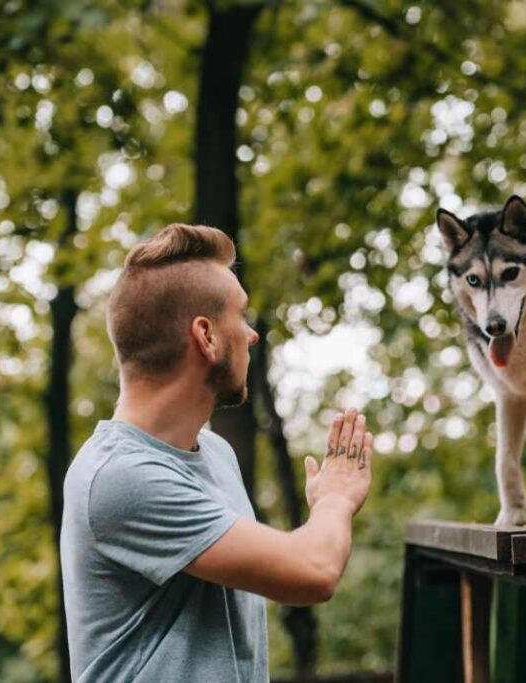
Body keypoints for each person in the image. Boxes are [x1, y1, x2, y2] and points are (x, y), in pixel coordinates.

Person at [60, 223, 373, 682]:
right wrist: (336, 500)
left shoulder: (215, 453)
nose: (252, 335)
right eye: (240, 315)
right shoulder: (119, 476)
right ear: (205, 336)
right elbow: (313, 570)